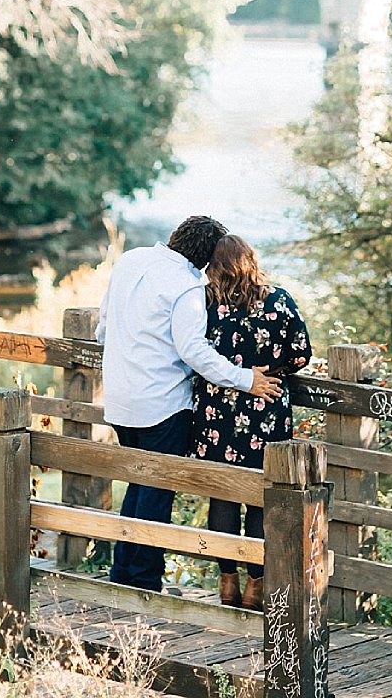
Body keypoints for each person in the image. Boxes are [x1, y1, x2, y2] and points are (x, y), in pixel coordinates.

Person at [95, 214, 282, 592]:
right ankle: (145, 581)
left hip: (118, 397)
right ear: (207, 257)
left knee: (137, 485)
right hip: (161, 404)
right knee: (156, 491)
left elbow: (102, 328)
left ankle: (123, 574)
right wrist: (247, 379)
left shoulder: (130, 259)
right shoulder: (186, 285)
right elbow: (194, 350)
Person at [192, 233, 312, 608]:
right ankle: (254, 586)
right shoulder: (279, 300)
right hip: (266, 408)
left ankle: (227, 581)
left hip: (217, 412)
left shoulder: (204, 302)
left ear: (215, 266)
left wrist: (232, 372)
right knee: (261, 501)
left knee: (223, 497)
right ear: (251, 260)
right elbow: (302, 353)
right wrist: (272, 370)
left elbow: (189, 350)